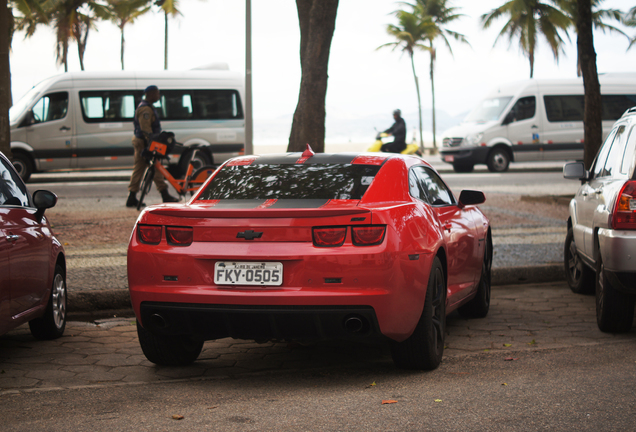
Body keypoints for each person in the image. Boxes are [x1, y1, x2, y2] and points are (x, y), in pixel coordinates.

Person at [126, 85, 178, 207]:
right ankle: (164, 194)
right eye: (157, 93)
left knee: (146, 168)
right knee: (152, 167)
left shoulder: (147, 107)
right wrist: (152, 145)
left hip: (143, 141)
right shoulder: (146, 109)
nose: (158, 96)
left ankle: (133, 196)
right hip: (144, 143)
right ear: (151, 94)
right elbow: (146, 130)